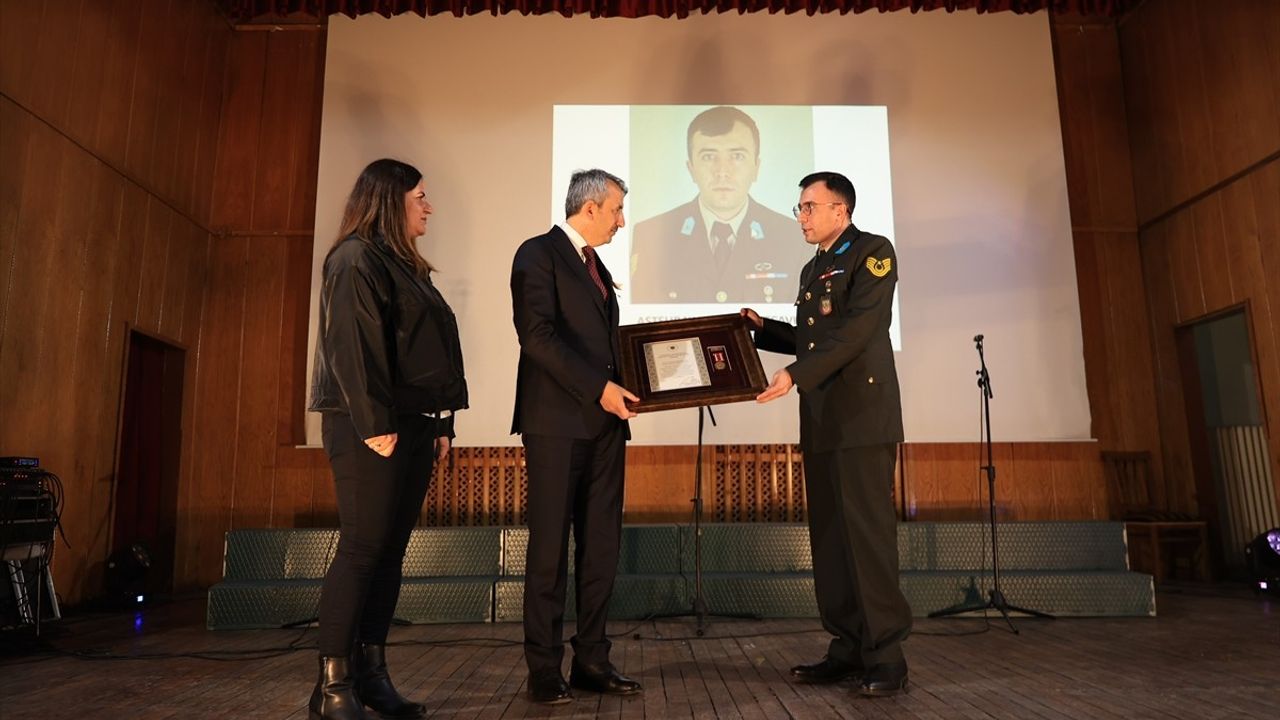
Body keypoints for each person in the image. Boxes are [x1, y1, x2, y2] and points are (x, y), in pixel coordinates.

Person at [307, 158, 468, 720]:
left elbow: (429, 356)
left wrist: (442, 422)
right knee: (362, 549)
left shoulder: (408, 268)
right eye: (420, 196)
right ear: (390, 199)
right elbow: (353, 349)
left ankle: (372, 676)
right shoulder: (354, 258)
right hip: (368, 427)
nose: (428, 207)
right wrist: (376, 425)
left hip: (415, 424)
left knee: (390, 554)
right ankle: (332, 687)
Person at [742, 171, 912, 697]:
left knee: (867, 540)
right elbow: (813, 338)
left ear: (841, 210)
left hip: (861, 419)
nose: (801, 216)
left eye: (809, 207)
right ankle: (846, 648)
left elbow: (856, 332)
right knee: (833, 542)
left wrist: (794, 375)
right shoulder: (814, 267)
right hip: (824, 419)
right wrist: (761, 328)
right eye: (799, 208)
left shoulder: (873, 253)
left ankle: (886, 657)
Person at [509, 169, 643, 704]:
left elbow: (604, 346)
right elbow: (535, 336)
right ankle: (544, 667)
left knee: (601, 549)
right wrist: (600, 389)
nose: (621, 220)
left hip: (607, 426)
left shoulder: (596, 266)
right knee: (548, 551)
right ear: (589, 208)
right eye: (616, 210)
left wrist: (634, 387)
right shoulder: (537, 254)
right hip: (556, 426)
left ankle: (592, 658)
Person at [630, 105, 802, 304]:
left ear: (756, 167)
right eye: (708, 157)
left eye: (737, 156)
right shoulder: (651, 235)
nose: (722, 171)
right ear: (691, 169)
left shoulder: (793, 239)